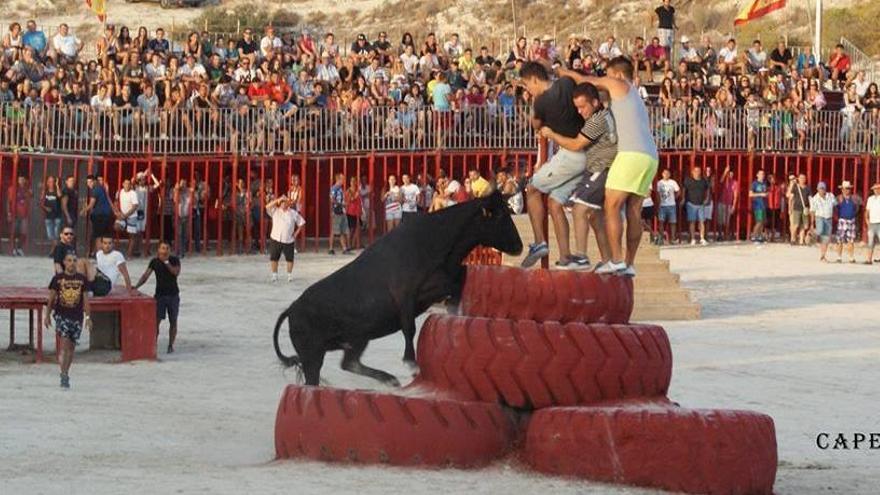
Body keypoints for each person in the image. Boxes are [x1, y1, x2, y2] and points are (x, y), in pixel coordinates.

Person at [559, 57, 660, 276]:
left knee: (611, 206)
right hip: (650, 156)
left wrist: (562, 71)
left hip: (631, 153)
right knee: (634, 210)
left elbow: (587, 80)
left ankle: (615, 260)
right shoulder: (632, 96)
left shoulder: (619, 84)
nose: (606, 79)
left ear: (618, 74)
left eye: (608, 74)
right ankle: (629, 264)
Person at [538, 82, 615, 269]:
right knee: (595, 217)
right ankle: (608, 261)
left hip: (601, 169)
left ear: (595, 102)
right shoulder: (604, 115)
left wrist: (551, 134)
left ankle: (581, 256)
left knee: (580, 209)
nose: (580, 111)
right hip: (601, 169)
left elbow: (575, 145)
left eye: (583, 107)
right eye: (577, 108)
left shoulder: (597, 120)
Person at [519, 62, 586, 268]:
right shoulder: (566, 84)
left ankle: (540, 242)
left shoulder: (541, 102)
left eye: (527, 85)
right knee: (555, 203)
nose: (528, 89)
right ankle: (565, 256)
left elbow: (536, 125)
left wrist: (532, 102)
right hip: (587, 152)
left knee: (532, 189)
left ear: (534, 79)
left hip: (570, 154)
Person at [45, 253, 91, 389]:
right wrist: (47, 315)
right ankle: (63, 374)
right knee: (64, 345)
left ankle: (66, 372)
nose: (72, 263)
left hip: (77, 316)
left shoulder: (82, 279)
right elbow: (51, 298)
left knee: (71, 348)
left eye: (74, 260)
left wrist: (88, 317)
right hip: (62, 315)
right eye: (69, 260)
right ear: (64, 262)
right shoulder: (57, 279)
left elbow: (86, 300)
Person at [134, 242, 181, 353]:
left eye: (167, 248)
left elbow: (175, 272)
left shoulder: (174, 260)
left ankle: (170, 345)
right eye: (162, 248)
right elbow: (146, 276)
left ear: (170, 250)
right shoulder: (154, 262)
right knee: (156, 321)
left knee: (173, 321)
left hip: (173, 295)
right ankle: (153, 344)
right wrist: (136, 286)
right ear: (158, 250)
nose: (164, 251)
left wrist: (166, 262)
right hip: (160, 295)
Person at [264, 196, 306, 283]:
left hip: (288, 239)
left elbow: (301, 223)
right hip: (276, 238)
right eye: (282, 202)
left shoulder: (293, 213)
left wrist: (296, 233)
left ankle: (289, 275)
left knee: (289, 259)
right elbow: (267, 206)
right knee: (274, 258)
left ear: (288, 203)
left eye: (285, 202)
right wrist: (277, 200)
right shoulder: (275, 211)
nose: (283, 204)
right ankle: (274, 275)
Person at [80, 174, 114, 257]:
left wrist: (83, 210)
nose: (89, 184)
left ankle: (99, 255)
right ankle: (103, 254)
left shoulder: (95, 190)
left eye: (90, 182)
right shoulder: (102, 188)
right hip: (106, 215)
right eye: (87, 182)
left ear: (95, 181)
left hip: (99, 216)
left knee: (98, 236)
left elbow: (91, 204)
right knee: (104, 236)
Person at [133, 171, 160, 257]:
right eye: (140, 180)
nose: (142, 181)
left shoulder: (147, 188)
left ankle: (141, 249)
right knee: (135, 231)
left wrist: (151, 175)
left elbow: (157, 184)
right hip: (136, 211)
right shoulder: (135, 187)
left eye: (144, 180)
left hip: (144, 212)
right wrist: (144, 173)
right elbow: (132, 180)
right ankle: (136, 249)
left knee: (141, 232)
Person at [682, 166, 710, 245]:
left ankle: (702, 238)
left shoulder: (703, 181)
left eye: (699, 171)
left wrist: (707, 198)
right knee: (692, 222)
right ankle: (693, 238)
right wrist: (683, 198)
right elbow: (684, 189)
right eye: (696, 171)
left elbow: (707, 189)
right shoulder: (688, 180)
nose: (697, 172)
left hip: (701, 204)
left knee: (702, 222)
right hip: (691, 204)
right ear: (692, 172)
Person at [809, 182, 837, 262]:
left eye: (823, 188)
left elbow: (835, 205)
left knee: (826, 238)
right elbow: (812, 211)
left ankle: (823, 255)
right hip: (820, 217)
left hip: (829, 218)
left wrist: (835, 216)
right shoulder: (815, 198)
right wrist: (812, 222)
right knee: (820, 231)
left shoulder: (830, 196)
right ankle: (811, 233)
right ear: (817, 189)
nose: (822, 190)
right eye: (820, 188)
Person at [835, 181, 859, 264]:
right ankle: (839, 257)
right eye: (845, 189)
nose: (847, 190)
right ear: (842, 189)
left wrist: (852, 215)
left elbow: (857, 209)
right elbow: (835, 209)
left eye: (848, 188)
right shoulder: (838, 198)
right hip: (842, 220)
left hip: (851, 220)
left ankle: (851, 257)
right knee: (840, 240)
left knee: (851, 240)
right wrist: (838, 218)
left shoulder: (854, 198)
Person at [115, 178, 140, 259]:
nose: (127, 185)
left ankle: (129, 255)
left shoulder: (133, 193)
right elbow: (116, 201)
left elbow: (135, 206)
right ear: (123, 184)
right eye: (126, 183)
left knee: (131, 236)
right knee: (116, 226)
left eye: (129, 184)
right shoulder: (120, 191)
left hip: (132, 216)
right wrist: (117, 212)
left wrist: (125, 215)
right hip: (122, 215)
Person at [8, 175, 31, 256]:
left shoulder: (27, 190)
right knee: (14, 232)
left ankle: (20, 248)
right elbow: (9, 201)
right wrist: (9, 213)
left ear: (25, 180)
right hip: (15, 214)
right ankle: (14, 249)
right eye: (20, 179)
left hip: (24, 214)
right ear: (17, 180)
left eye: (23, 180)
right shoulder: (12, 189)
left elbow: (32, 198)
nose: (21, 181)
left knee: (23, 232)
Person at [656, 168, 680, 244]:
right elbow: (657, 193)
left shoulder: (673, 182)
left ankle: (672, 238)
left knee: (673, 222)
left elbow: (678, 191)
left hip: (672, 205)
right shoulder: (659, 183)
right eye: (664, 173)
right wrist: (658, 203)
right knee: (661, 222)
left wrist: (674, 198)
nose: (666, 175)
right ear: (662, 174)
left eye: (667, 173)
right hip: (662, 205)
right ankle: (661, 239)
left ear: (670, 174)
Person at [329, 173, 351, 255]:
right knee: (334, 230)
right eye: (342, 179)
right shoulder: (334, 188)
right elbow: (332, 200)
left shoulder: (340, 189)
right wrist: (342, 204)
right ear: (338, 179)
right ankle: (331, 248)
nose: (343, 180)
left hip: (342, 211)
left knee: (341, 230)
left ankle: (344, 248)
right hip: (337, 211)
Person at [787, 173, 811, 245]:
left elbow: (810, 198)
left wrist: (811, 208)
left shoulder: (808, 188)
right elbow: (789, 196)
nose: (802, 179)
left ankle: (801, 241)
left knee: (804, 226)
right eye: (801, 178)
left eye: (804, 178)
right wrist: (790, 208)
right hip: (796, 208)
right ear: (798, 179)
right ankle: (793, 239)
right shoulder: (795, 187)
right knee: (796, 225)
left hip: (805, 209)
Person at [41, 175, 63, 253]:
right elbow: (41, 202)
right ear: (47, 182)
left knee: (56, 235)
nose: (51, 183)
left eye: (53, 181)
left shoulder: (57, 190)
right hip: (48, 216)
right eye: (49, 181)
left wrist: (57, 185)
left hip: (57, 215)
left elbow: (60, 196)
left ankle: (53, 251)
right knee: (50, 235)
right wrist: (45, 208)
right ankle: (55, 249)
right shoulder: (45, 192)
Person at [717, 165, 739, 241]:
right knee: (720, 220)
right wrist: (725, 171)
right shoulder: (724, 180)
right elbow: (720, 181)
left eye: (732, 174)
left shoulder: (735, 182)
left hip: (728, 203)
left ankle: (725, 235)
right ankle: (720, 235)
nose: (731, 176)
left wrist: (733, 206)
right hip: (721, 202)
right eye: (729, 174)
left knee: (726, 221)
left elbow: (736, 195)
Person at [749, 170, 768, 242]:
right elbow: (750, 194)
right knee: (759, 221)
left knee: (763, 221)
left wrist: (766, 195)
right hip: (757, 205)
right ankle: (754, 235)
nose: (762, 175)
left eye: (763, 174)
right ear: (757, 175)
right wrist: (760, 194)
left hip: (764, 205)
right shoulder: (754, 184)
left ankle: (759, 236)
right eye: (760, 174)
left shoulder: (764, 184)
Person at [865, 183, 880, 265]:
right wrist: (867, 221)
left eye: (878, 188)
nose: (876, 190)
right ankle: (869, 259)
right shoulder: (870, 199)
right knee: (870, 242)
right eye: (875, 189)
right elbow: (867, 211)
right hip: (872, 223)